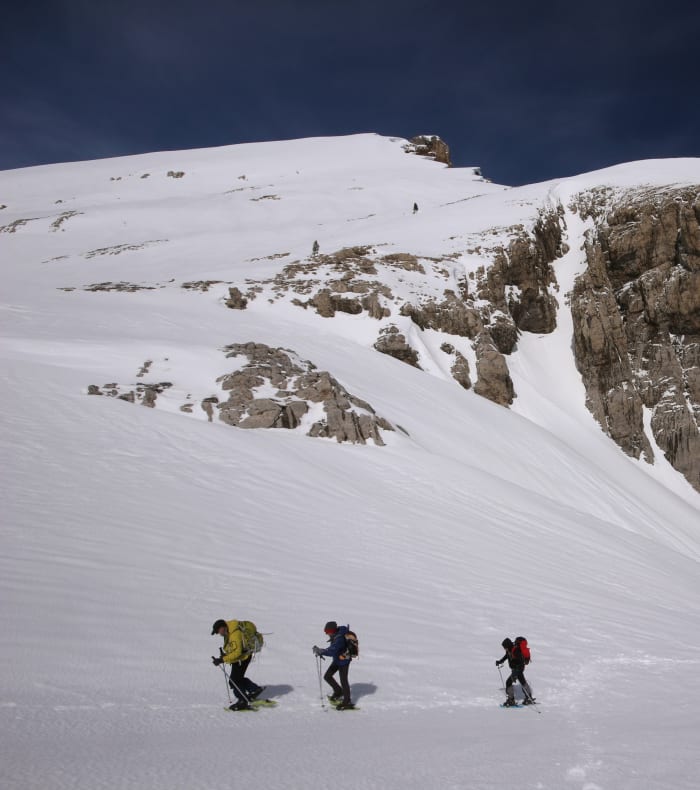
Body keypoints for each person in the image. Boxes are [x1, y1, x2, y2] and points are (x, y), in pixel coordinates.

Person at [211, 618, 264, 710]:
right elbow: (233, 648)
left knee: (234, 681)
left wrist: (222, 659)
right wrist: (225, 656)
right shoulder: (228, 632)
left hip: (243, 658)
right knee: (237, 679)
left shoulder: (235, 633)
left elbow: (238, 652)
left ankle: (242, 700)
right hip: (240, 658)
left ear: (222, 627)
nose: (219, 634)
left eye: (218, 631)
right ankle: (255, 689)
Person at [313, 621, 354, 710]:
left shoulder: (339, 639)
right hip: (337, 660)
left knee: (344, 681)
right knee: (327, 676)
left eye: (327, 632)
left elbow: (332, 650)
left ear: (332, 630)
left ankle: (347, 702)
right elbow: (333, 649)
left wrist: (322, 651)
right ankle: (338, 692)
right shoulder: (336, 635)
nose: (327, 634)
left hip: (344, 661)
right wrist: (321, 651)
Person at [496, 637, 535, 706]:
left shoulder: (515, 651)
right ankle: (529, 698)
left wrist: (515, 673)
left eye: (505, 647)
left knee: (508, 682)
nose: (504, 649)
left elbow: (520, 662)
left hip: (518, 668)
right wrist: (500, 661)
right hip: (515, 669)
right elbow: (506, 656)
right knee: (523, 682)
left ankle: (511, 700)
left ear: (508, 646)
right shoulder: (509, 650)